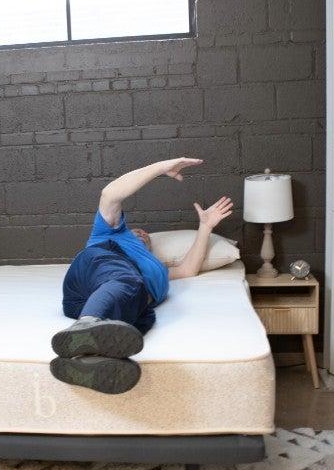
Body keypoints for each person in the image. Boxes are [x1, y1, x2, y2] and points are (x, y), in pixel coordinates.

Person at [50, 157, 234, 394]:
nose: (143, 234)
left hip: (120, 300)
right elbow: (110, 195)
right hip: (94, 273)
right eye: (136, 231)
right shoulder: (111, 234)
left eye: (147, 236)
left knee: (138, 324)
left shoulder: (157, 269)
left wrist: (206, 227)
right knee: (127, 281)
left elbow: (189, 269)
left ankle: (86, 363)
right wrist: (161, 168)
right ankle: (82, 328)